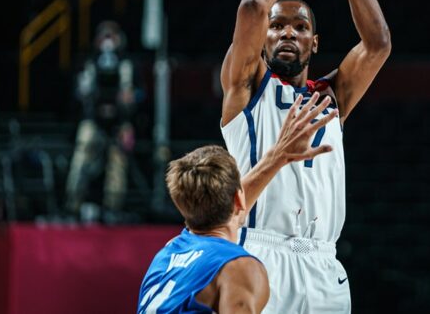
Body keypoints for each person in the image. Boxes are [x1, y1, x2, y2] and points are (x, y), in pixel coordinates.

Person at [220, 0, 391, 313]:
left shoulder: (330, 98)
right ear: (263, 40)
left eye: (300, 26)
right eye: (278, 27)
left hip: (324, 264)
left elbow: (378, 44)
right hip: (262, 253)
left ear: (314, 42)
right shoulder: (245, 88)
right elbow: (253, 6)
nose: (287, 33)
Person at [137, 93, 338, 314]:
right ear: (238, 199)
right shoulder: (238, 268)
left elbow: (230, 206)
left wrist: (277, 157)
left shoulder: (166, 257)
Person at [65, 20, 141, 221]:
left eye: (112, 36)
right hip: (93, 120)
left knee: (118, 162)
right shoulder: (89, 63)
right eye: (104, 36)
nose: (108, 41)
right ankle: (73, 205)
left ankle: (112, 208)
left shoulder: (128, 65)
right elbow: (76, 94)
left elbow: (141, 94)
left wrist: (132, 97)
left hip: (119, 121)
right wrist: (84, 92)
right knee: (83, 151)